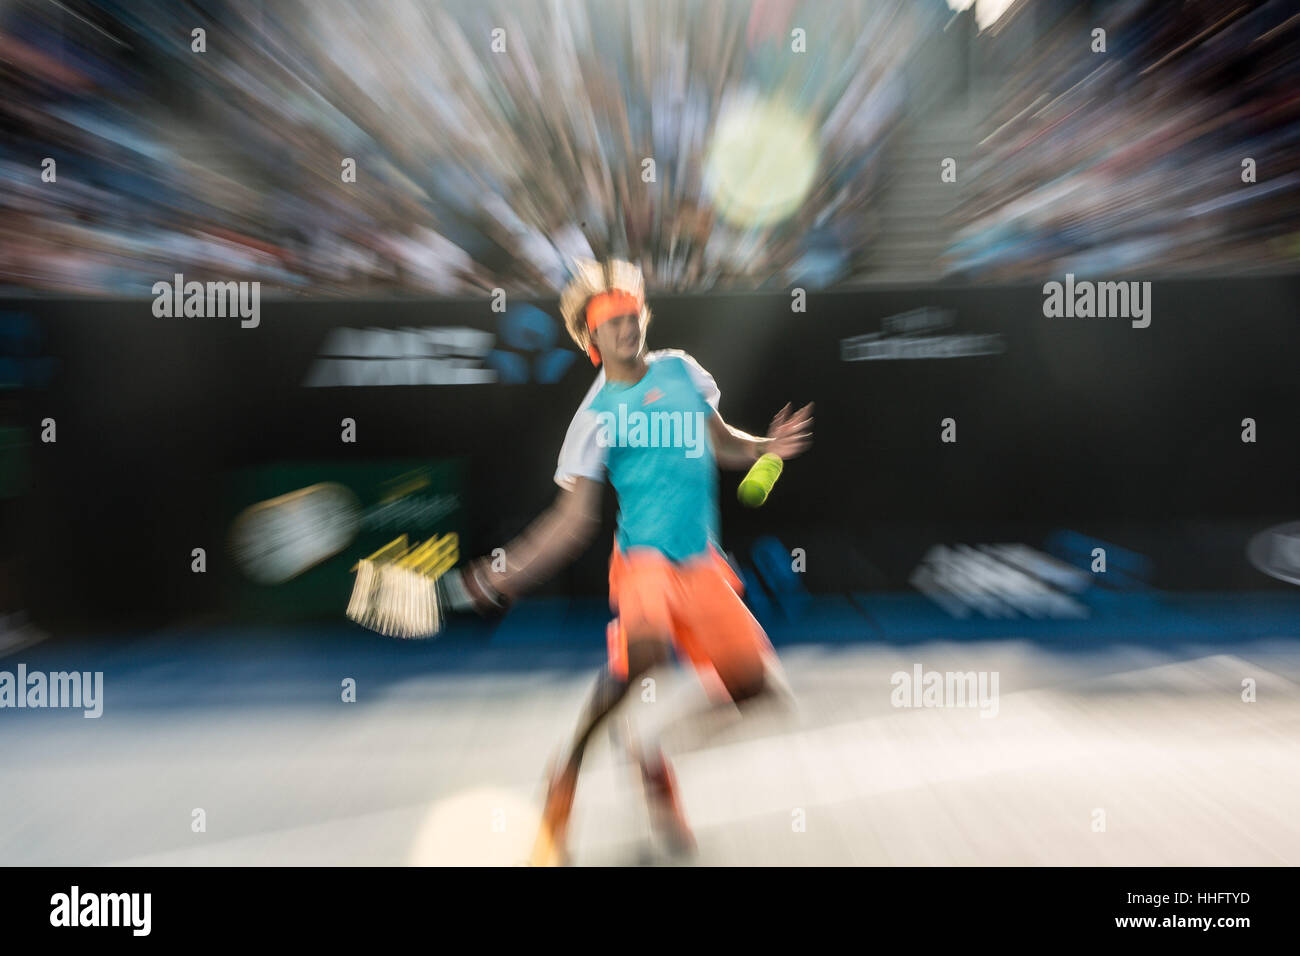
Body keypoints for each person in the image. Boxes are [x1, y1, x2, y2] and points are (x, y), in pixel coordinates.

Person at [444, 258, 812, 865]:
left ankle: (655, 755)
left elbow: (721, 443)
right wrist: (501, 574)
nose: (626, 328)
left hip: (702, 565)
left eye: (632, 315)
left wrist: (766, 449)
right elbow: (570, 522)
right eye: (611, 322)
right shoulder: (594, 418)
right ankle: (565, 778)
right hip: (643, 564)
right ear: (592, 340)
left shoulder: (683, 372)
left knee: (762, 693)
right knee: (642, 658)